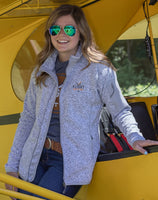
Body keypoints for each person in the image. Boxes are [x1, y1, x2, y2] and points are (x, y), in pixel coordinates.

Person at [5, 4, 158, 200]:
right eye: (55, 29)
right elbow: (27, 119)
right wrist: (12, 166)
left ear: (81, 32)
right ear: (49, 34)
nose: (61, 34)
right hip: (34, 157)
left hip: (68, 162)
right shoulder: (40, 71)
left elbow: (120, 111)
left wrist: (135, 137)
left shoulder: (99, 70)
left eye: (69, 29)